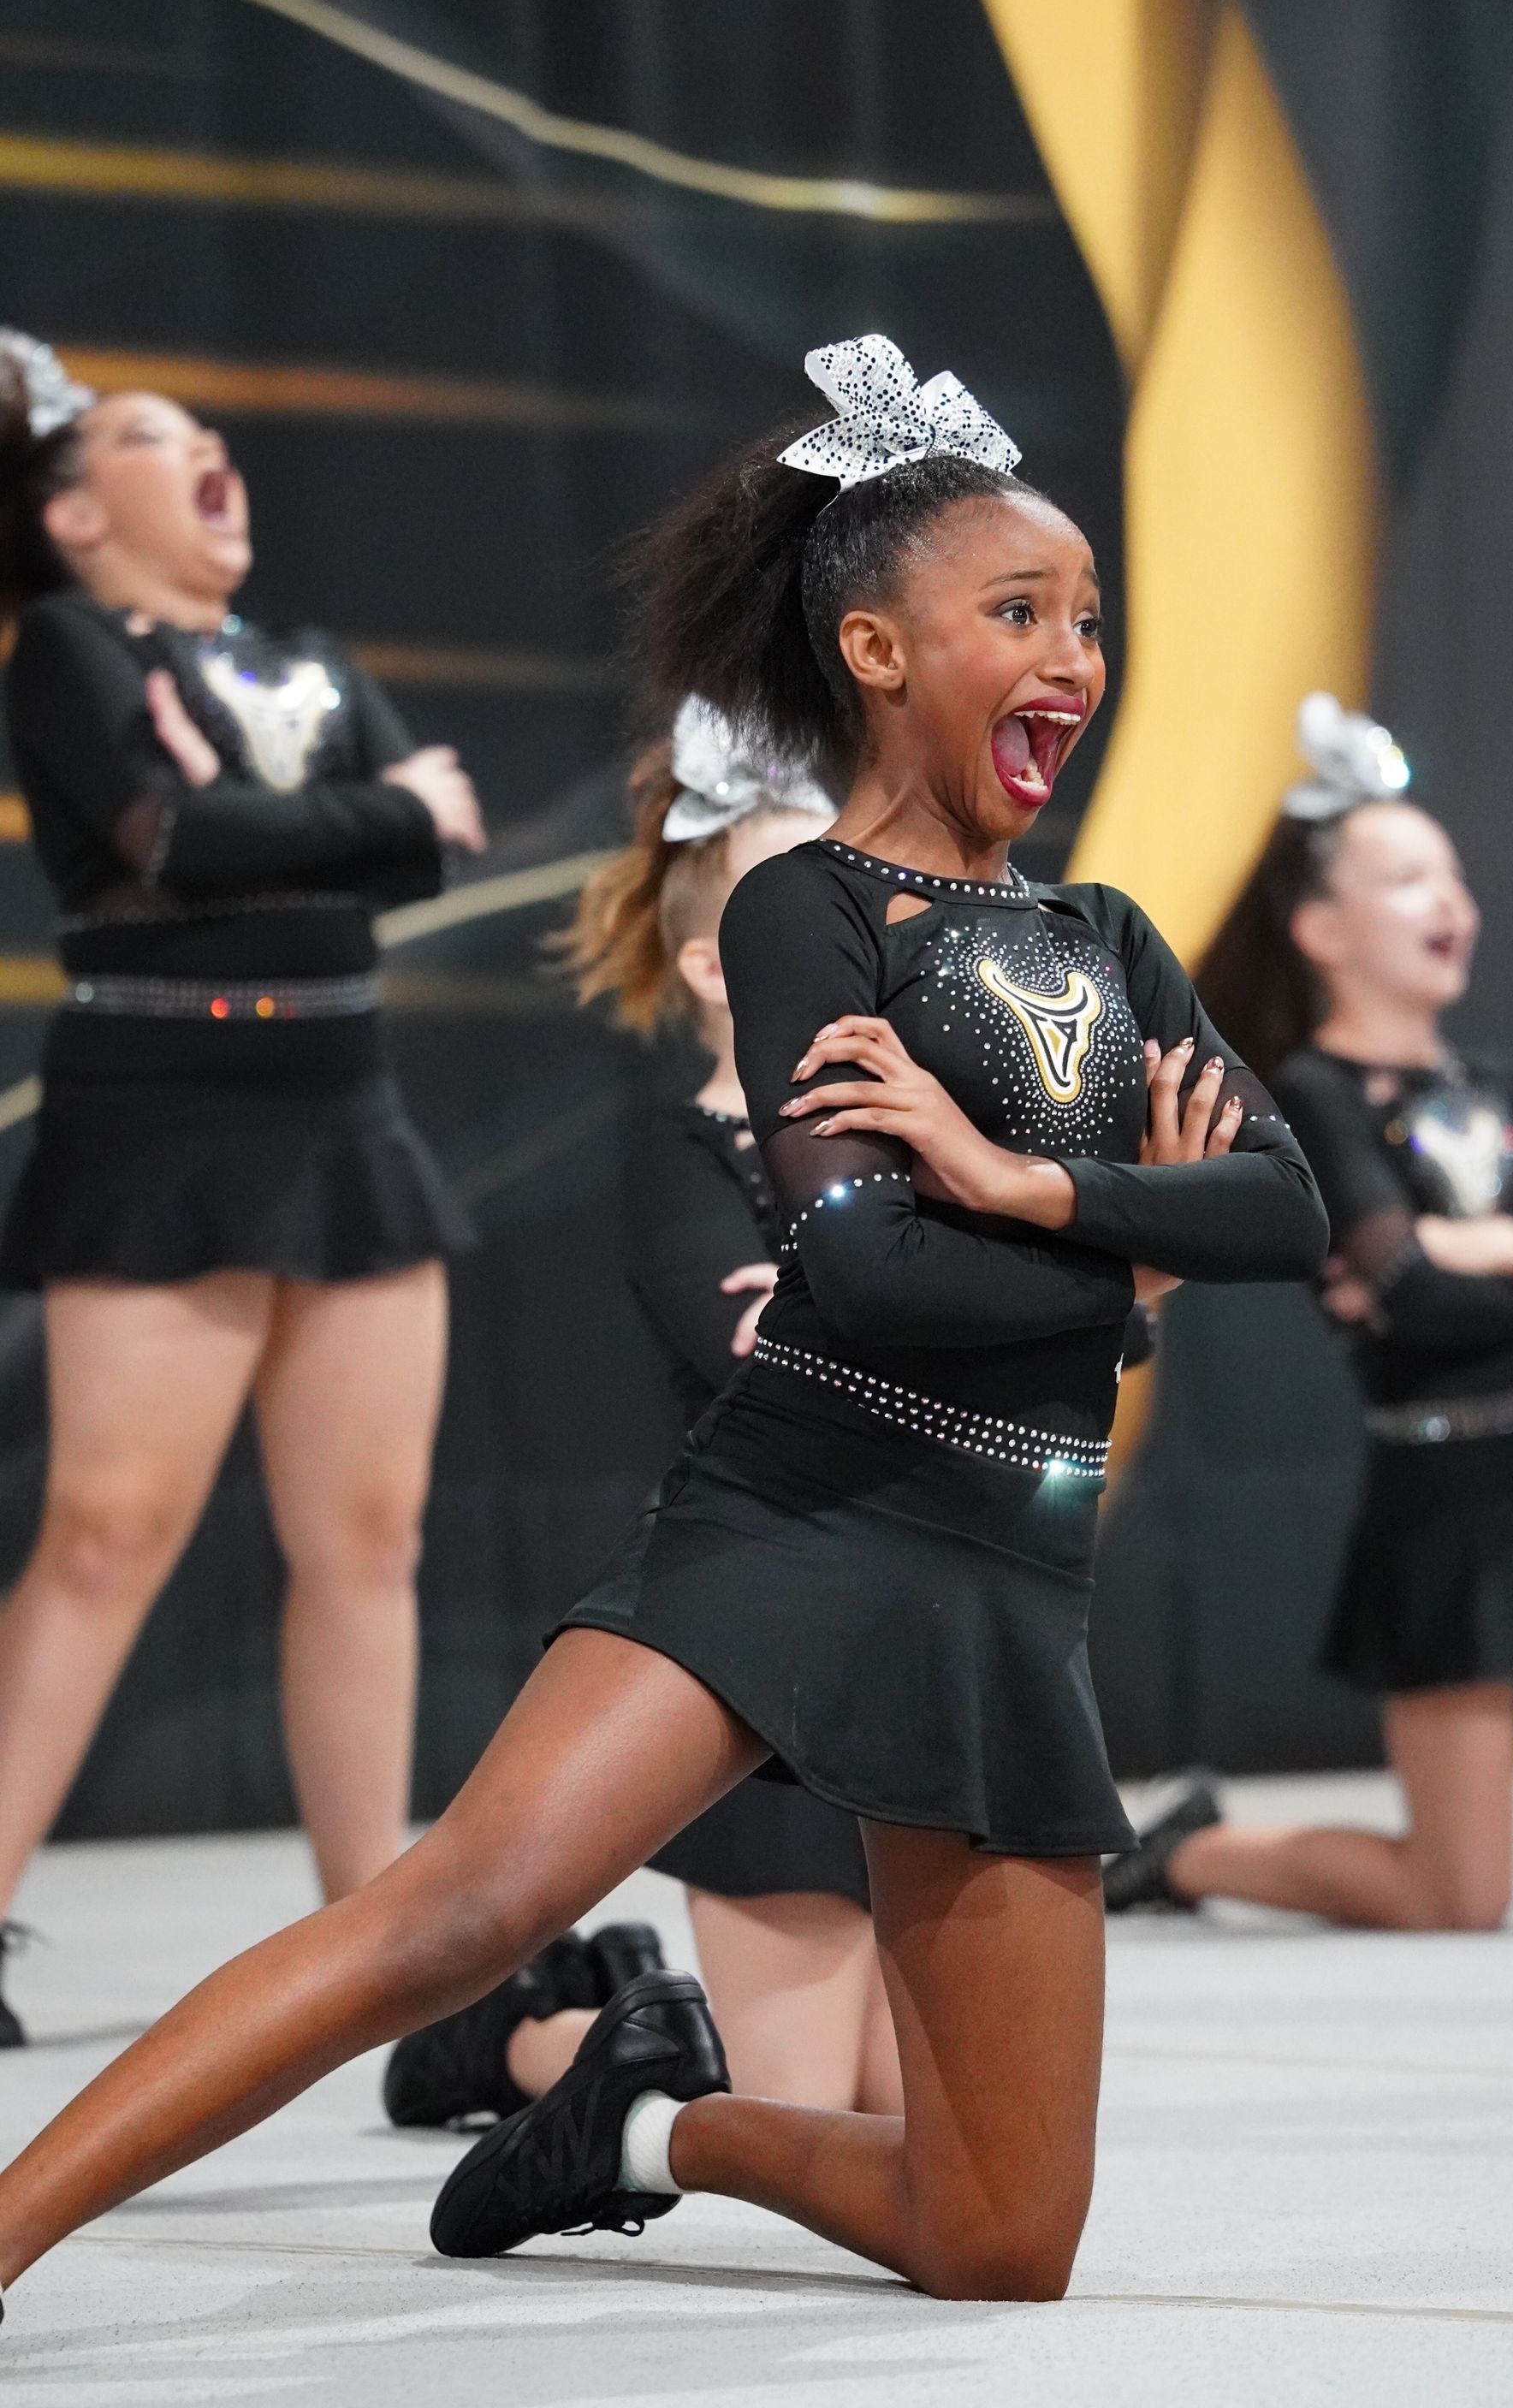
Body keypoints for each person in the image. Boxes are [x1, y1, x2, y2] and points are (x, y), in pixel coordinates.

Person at [0, 332, 1324, 2318]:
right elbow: (869, 1274)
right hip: (799, 1527)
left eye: (1088, 616)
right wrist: (1137, 1257)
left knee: (1000, 2244)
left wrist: (1027, 1183)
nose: (1072, 655)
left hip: (1010, 1579)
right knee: (457, 1913)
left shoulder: (1110, 937)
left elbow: (1285, 1209)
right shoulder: (811, 912)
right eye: (1019, 612)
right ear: (875, 650)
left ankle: (643, 2125)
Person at [0, 332, 485, 2047]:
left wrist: (327, 822)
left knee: (368, 1537)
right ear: (74, 513)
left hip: (343, 1105)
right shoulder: (68, 649)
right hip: (162, 1108)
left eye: (208, 426)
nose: (206, 443)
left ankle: (377, 1938)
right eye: (150, 435)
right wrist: (367, 811)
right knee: (109, 1531)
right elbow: (173, 843)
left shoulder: (310, 658)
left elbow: (441, 841)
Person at [379, 701, 899, 2127]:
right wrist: (930, 1311)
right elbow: (765, 1370)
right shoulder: (684, 1161)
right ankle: (516, 2040)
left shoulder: (925, 1145)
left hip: (917, 1640)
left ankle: (632, 2009)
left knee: (922, 2133)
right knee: (793, 2126)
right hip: (768, 1643)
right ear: (712, 967)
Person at [1106, 694, 1513, 1931]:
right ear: (1323, 929)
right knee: (1456, 1898)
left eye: (1451, 875)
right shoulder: (1314, 1099)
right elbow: (1409, 1293)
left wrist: (1496, 1244)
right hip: (1446, 1502)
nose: (1450, 900)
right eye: (1406, 879)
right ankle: (1191, 1855)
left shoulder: (1502, 1084)